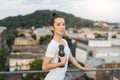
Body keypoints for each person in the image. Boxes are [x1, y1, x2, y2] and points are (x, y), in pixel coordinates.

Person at [42, 12, 86, 80]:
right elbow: (44, 67)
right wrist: (61, 63)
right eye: (58, 25)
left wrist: (80, 67)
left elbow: (71, 57)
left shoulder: (64, 41)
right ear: (52, 28)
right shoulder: (52, 45)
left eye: (63, 24)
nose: (62, 27)